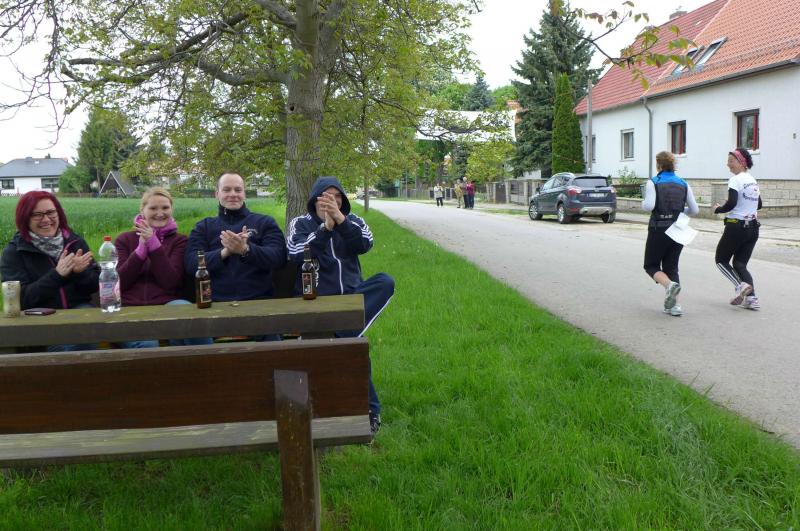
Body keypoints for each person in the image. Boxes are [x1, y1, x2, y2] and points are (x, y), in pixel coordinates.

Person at [286, 176, 395, 434]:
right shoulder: (300, 223)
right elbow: (296, 252)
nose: (331, 201)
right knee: (353, 348)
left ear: (343, 200)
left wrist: (341, 222)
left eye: (337, 197)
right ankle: (370, 411)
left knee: (385, 281)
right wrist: (325, 229)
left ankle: (339, 334)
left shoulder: (353, 220)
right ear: (314, 200)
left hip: (351, 298)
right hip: (317, 301)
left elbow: (365, 243)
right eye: (326, 196)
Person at [0, 190, 99, 351]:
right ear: (25, 219)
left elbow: (95, 286)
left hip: (78, 313)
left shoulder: (75, 243)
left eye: (51, 212)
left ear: (59, 214)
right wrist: (57, 275)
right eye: (37, 215)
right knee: (72, 346)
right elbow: (21, 299)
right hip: (38, 323)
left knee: (85, 336)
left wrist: (80, 273)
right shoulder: (14, 253)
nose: (46, 219)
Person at [114, 187, 213, 348]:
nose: (160, 213)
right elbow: (120, 283)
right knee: (148, 345)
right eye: (153, 208)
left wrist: (154, 245)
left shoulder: (180, 241)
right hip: (129, 307)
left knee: (196, 323)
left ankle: (210, 362)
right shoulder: (124, 240)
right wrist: (140, 251)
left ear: (171, 209)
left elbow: (171, 282)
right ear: (142, 210)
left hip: (168, 305)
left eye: (165, 208)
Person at [185, 172, 287, 305]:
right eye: (226, 190)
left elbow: (279, 257)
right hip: (214, 303)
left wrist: (246, 250)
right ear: (217, 194)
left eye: (238, 190)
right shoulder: (203, 227)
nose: (233, 194)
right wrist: (224, 252)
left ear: (244, 194)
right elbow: (191, 263)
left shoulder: (265, 222)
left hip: (259, 301)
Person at [641, 151, 699, 317]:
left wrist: (643, 203)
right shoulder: (683, 183)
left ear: (658, 165)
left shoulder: (653, 182)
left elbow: (649, 206)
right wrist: (680, 211)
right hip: (678, 230)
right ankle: (675, 306)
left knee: (651, 265)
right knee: (672, 267)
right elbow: (694, 210)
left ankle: (668, 285)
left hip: (659, 229)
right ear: (673, 165)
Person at [713, 148, 762, 310]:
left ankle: (740, 286)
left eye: (731, 161)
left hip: (736, 227)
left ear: (741, 162)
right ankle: (752, 299)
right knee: (740, 264)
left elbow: (732, 203)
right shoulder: (752, 180)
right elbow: (759, 204)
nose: (728, 164)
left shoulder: (735, 180)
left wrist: (718, 209)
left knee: (721, 260)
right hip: (753, 228)